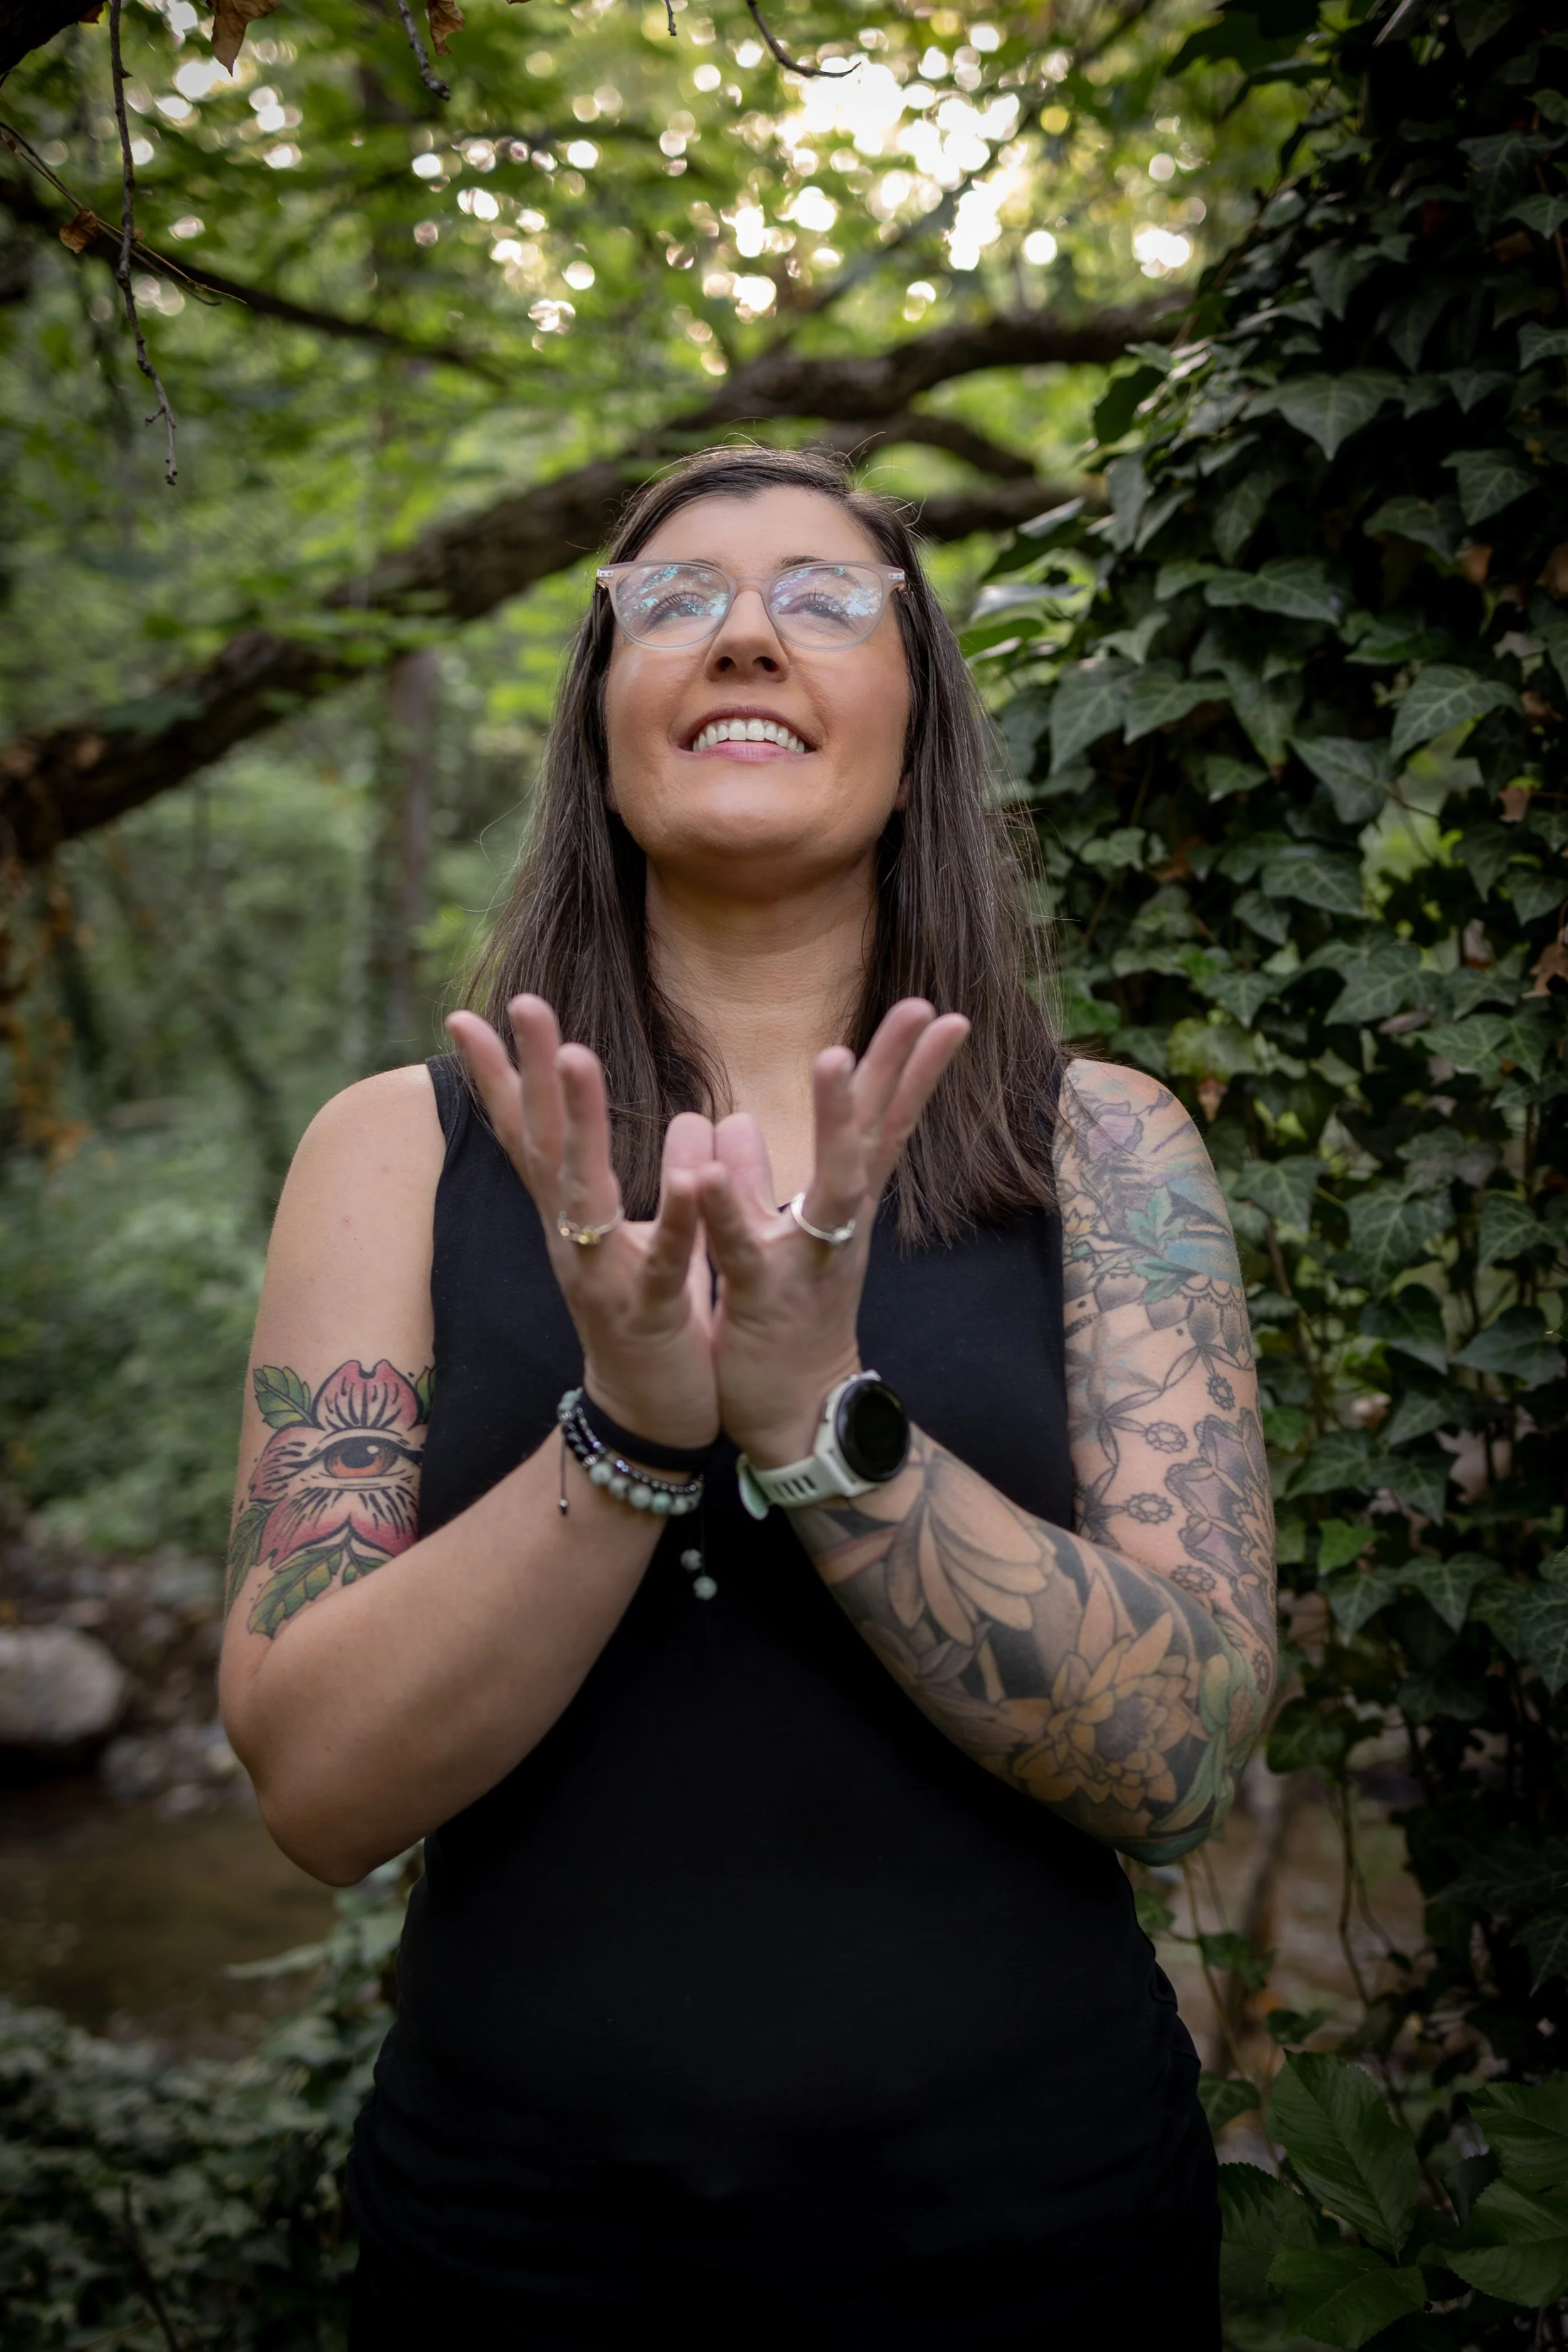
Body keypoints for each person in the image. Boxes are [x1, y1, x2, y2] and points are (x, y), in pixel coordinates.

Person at [218, 445, 1276, 2350]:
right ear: (603, 705)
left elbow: (1184, 1759)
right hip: (518, 2259)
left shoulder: (1102, 1146)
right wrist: (628, 1429)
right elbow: (314, 1786)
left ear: (915, 706)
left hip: (1039, 2248)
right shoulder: (395, 1151)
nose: (748, 636)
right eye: (677, 597)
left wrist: (813, 1417)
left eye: (824, 596)